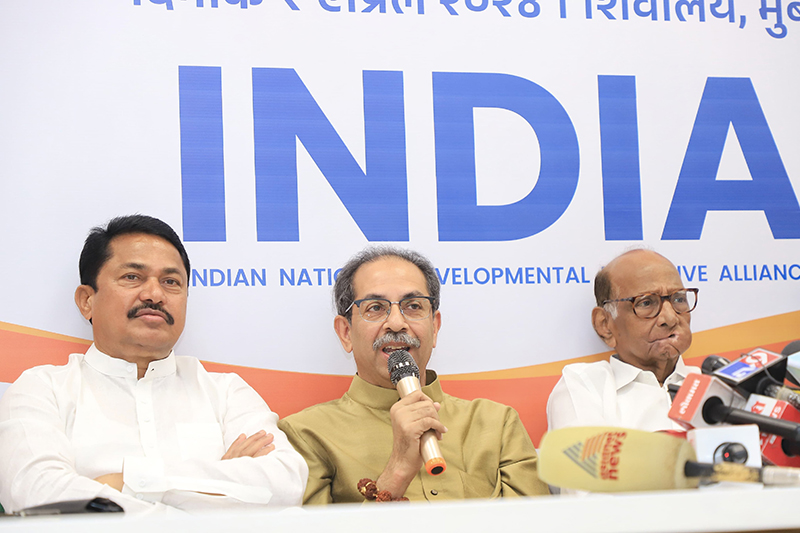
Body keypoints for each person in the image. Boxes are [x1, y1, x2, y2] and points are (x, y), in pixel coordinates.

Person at [0, 215, 307, 514]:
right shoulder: (42, 390)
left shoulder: (226, 392)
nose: (155, 294)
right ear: (86, 301)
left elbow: (285, 483)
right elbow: (38, 495)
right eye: (132, 277)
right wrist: (215, 486)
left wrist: (124, 482)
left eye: (170, 282)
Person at [278, 246, 549, 504]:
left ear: (435, 326)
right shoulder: (305, 435)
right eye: (375, 308)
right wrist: (396, 471)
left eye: (413, 306)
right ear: (346, 333)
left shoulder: (496, 424)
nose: (397, 323)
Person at [547, 249, 700, 432]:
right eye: (646, 303)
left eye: (679, 299)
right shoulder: (586, 385)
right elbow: (589, 451)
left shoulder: (717, 384)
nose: (670, 318)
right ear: (605, 325)